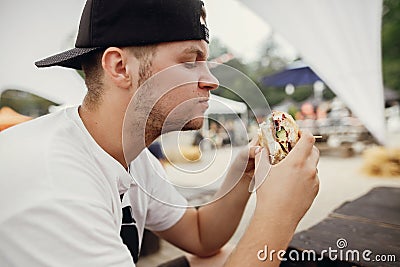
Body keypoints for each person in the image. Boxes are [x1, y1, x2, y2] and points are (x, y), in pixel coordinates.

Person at [0, 1, 319, 267]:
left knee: (213, 261)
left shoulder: (128, 155)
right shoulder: (56, 186)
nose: (212, 81)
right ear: (120, 67)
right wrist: (279, 213)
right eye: (191, 61)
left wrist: (242, 173)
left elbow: (200, 238)